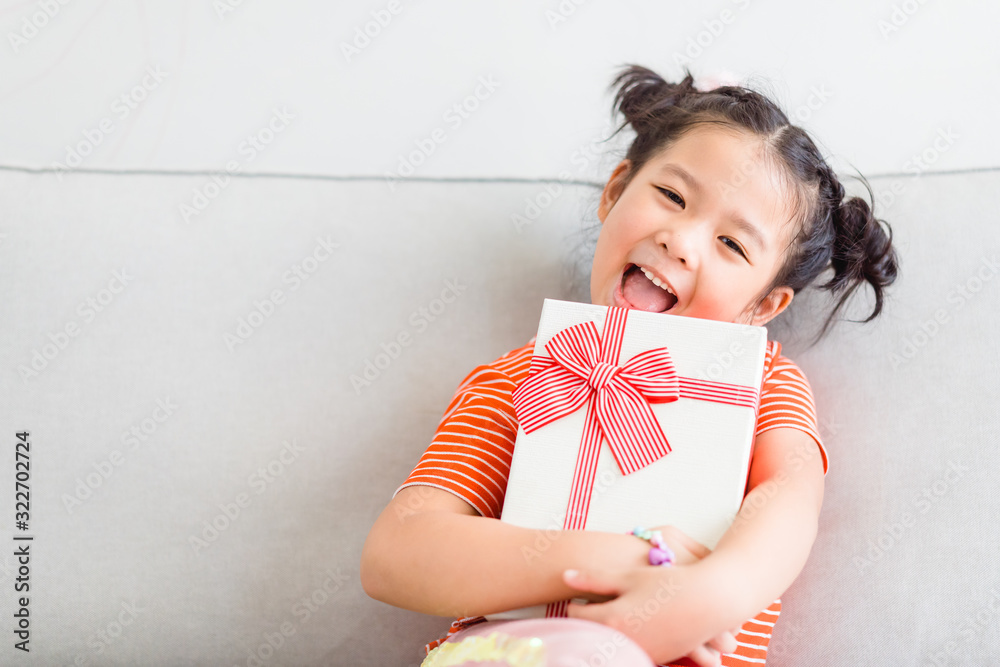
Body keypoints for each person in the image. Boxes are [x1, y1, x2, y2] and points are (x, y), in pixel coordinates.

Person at [361, 63, 898, 667]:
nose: (681, 240)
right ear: (614, 192)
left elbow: (791, 497)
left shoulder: (764, 381)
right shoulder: (521, 374)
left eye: (732, 244)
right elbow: (396, 551)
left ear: (763, 306)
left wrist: (712, 593)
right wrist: (627, 560)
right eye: (672, 196)